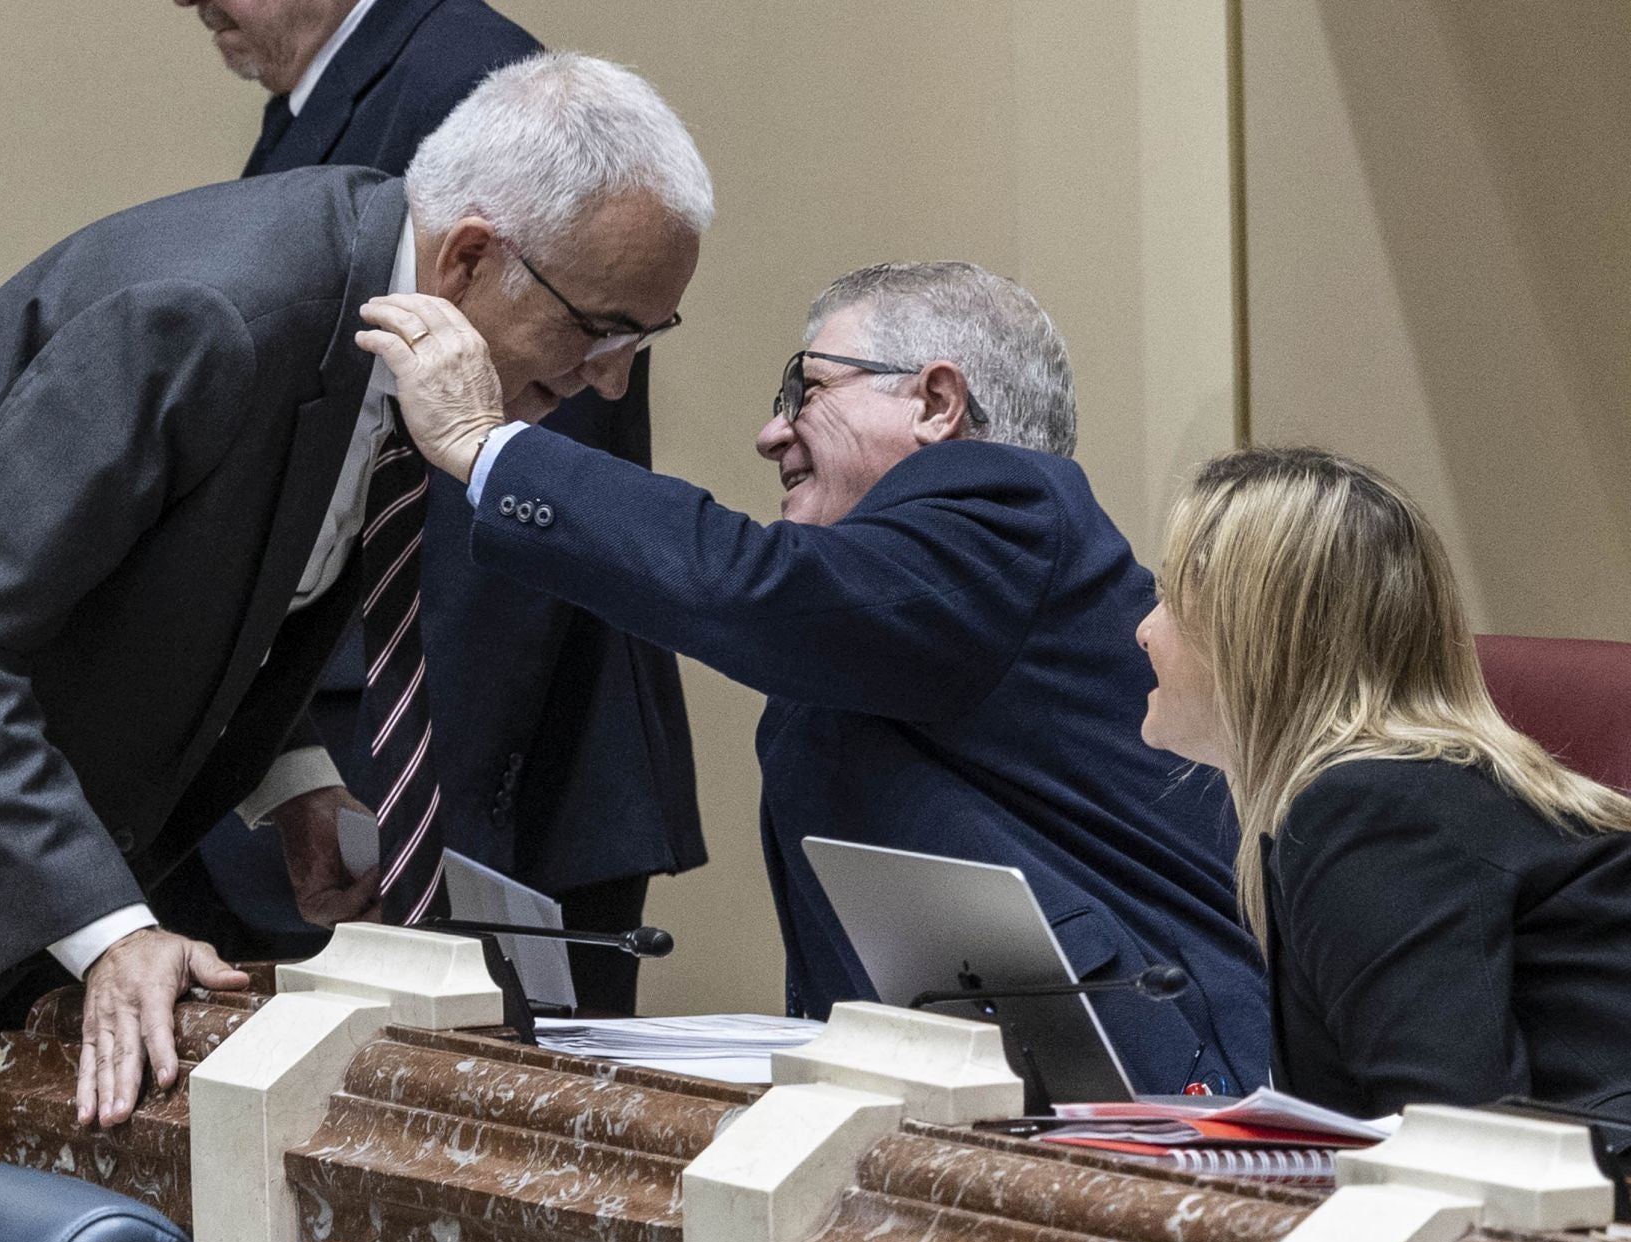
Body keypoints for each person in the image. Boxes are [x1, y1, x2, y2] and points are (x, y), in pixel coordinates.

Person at [0, 51, 713, 1157]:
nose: (611, 380)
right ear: (471, 255)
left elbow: (217, 574)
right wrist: (115, 934)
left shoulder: (387, 316)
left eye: (643, 341)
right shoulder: (207, 312)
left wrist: (294, 781)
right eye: (601, 329)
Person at [356, 262, 1271, 1094]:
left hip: (1158, 1093)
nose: (770, 433)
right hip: (1019, 1087)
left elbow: (754, 586)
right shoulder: (897, 583)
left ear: (937, 403)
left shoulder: (1008, 511)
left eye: (806, 388)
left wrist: (489, 444)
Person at [171, 0, 706, 1014]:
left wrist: (432, 841)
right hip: (353, 781)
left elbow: (514, 475)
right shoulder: (332, 94)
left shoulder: (469, 77)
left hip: (457, 785)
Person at [1137, 446, 1631, 1119]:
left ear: (1252, 636)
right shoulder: (1395, 793)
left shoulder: (1366, 809)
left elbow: (1455, 1143)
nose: (1143, 630)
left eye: (1167, 595)